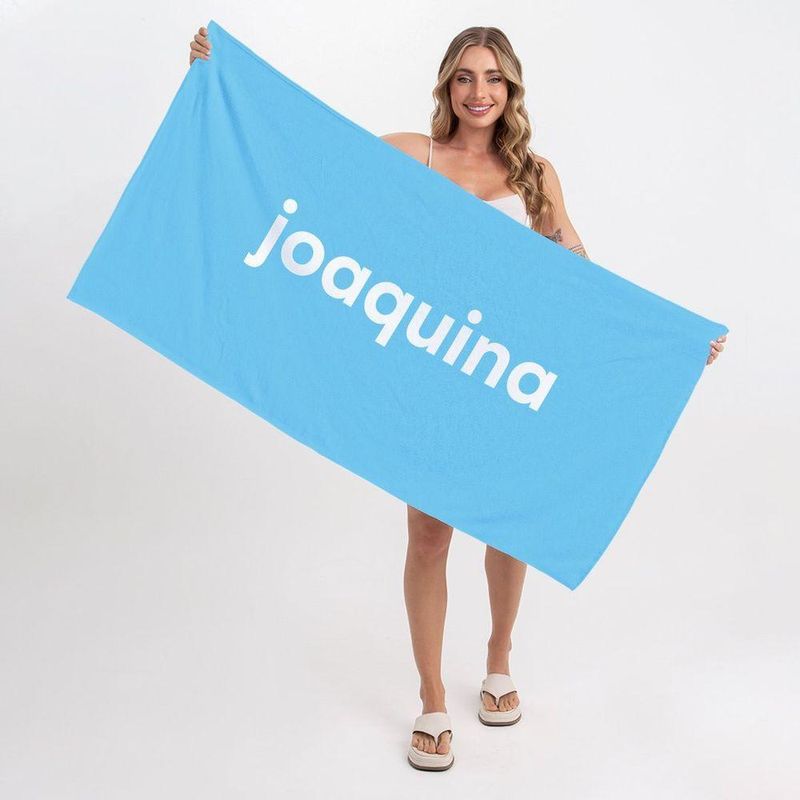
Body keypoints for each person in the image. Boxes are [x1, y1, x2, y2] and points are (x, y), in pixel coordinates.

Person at [188, 24, 728, 772]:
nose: (480, 92)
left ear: (512, 90)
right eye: (467, 76)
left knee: (509, 526)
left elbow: (580, 278)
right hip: (430, 374)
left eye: (495, 78)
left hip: (505, 374)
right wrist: (224, 80)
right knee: (429, 538)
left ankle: (498, 657)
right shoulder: (417, 154)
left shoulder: (535, 174)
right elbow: (313, 158)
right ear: (447, 83)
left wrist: (668, 343)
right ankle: (433, 695)